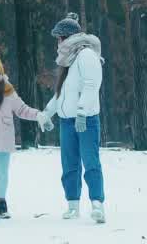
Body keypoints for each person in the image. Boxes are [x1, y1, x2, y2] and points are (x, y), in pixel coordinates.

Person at [0, 48, 52, 224]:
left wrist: (38, 115)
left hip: (4, 142)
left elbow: (22, 109)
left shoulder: (8, 92)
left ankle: (2, 203)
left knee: (3, 174)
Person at [41, 13, 106, 223]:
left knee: (90, 162)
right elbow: (60, 94)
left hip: (85, 119)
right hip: (67, 122)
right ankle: (72, 205)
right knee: (69, 165)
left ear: (67, 37)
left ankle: (97, 204)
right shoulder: (68, 60)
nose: (57, 42)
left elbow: (91, 84)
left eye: (59, 38)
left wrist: (81, 111)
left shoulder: (86, 54)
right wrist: (47, 113)